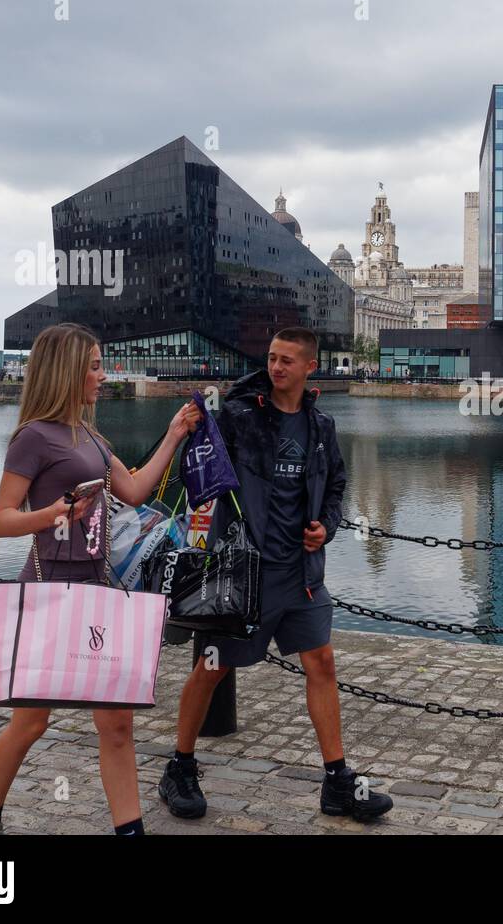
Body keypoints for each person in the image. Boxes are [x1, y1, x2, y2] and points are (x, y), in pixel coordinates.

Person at [0, 323, 202, 835]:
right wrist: (53, 513)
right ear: (67, 371)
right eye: (94, 366)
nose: (103, 375)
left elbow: (137, 489)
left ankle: (130, 831)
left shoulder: (92, 436)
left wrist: (175, 432)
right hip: (47, 589)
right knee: (31, 722)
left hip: (96, 590)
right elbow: (1, 519)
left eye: (101, 364)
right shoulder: (33, 437)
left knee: (117, 724)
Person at [159, 326, 393, 822]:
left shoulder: (321, 426)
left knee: (322, 663)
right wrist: (200, 422)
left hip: (301, 574)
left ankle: (337, 782)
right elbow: (195, 469)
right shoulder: (240, 419)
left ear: (311, 366)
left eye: (288, 360)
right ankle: (179, 766)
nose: (276, 367)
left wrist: (325, 528)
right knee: (212, 665)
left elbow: (336, 486)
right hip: (242, 574)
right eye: (271, 358)